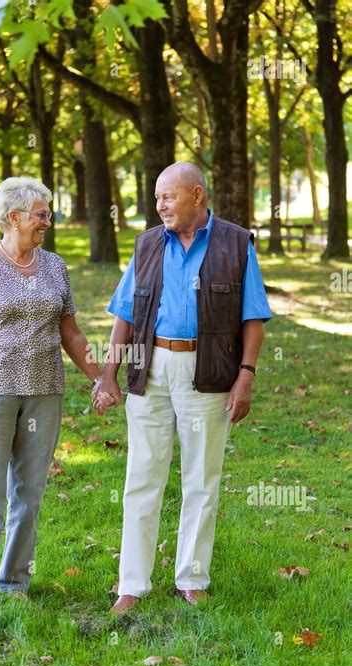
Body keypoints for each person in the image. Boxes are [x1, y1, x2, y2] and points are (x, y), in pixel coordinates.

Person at [93, 162, 272, 613]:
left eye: (167, 197)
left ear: (197, 195)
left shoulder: (236, 243)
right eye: (156, 199)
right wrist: (110, 374)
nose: (160, 206)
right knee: (142, 476)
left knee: (201, 478)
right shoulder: (148, 245)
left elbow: (253, 316)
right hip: (150, 368)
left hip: (208, 371)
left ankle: (191, 578)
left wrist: (246, 375)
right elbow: (125, 315)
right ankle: (131, 584)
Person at [0, 176, 111, 612]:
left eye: (48, 214)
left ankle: (15, 581)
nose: (48, 222)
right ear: (13, 217)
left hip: (44, 391)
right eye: (41, 214)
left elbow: (70, 331)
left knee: (29, 495)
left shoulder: (55, 267)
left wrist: (99, 377)